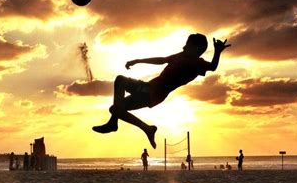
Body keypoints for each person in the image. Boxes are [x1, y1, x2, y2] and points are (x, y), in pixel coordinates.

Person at [93, 34, 231, 148]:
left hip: (153, 92)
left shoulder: (196, 63)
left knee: (120, 81)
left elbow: (212, 67)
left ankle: (116, 124)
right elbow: (162, 60)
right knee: (115, 108)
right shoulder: (182, 55)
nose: (183, 47)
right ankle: (146, 128)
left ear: (196, 49)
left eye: (187, 45)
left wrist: (217, 52)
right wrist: (138, 60)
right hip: (150, 88)